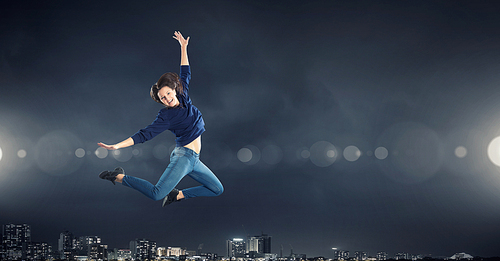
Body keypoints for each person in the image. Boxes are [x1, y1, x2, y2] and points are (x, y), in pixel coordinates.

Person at [97, 31, 223, 207]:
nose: (167, 99)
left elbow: (185, 71)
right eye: (162, 98)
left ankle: (177, 195)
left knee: (217, 189)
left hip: (195, 159)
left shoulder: (184, 95)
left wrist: (184, 47)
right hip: (184, 158)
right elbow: (144, 135)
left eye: (168, 94)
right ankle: (118, 176)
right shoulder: (166, 116)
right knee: (156, 194)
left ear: (174, 89)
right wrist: (117, 145)